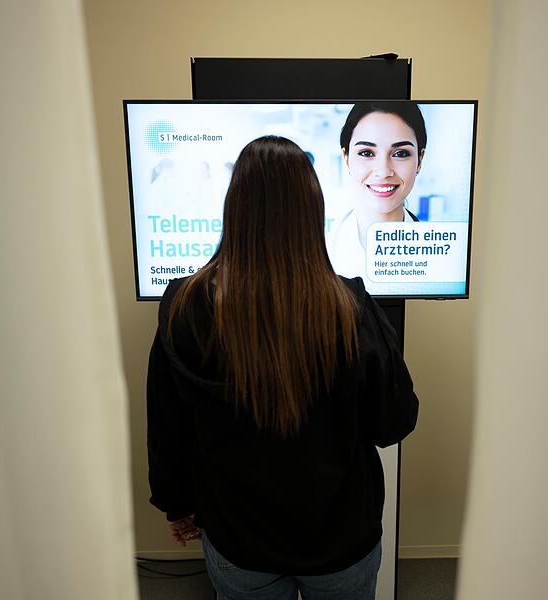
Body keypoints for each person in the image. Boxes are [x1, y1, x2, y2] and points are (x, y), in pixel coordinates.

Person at [146, 135, 419, 600]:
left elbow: (167, 424)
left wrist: (177, 506)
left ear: (235, 209)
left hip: (238, 536)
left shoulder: (185, 304)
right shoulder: (351, 306)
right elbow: (391, 423)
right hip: (340, 536)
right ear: (311, 211)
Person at [330, 102, 427, 278]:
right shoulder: (324, 246)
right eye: (367, 153)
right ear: (346, 158)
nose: (383, 172)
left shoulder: (440, 257)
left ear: (420, 160)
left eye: (400, 153)